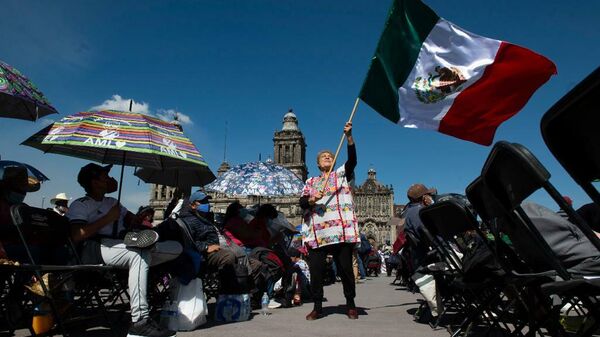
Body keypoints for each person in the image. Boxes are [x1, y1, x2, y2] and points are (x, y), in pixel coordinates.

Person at [66, 163, 182, 337]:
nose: (110, 180)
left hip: (122, 244)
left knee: (175, 247)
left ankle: (144, 256)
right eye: (105, 177)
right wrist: (107, 219)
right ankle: (140, 321)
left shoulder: (113, 202)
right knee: (138, 254)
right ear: (94, 182)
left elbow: (132, 221)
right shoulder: (80, 205)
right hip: (95, 247)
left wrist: (138, 219)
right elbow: (76, 235)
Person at [299, 121, 360, 320]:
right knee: (316, 271)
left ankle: (350, 303)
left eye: (330, 156)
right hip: (319, 234)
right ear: (318, 164)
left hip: (341, 232)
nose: (327, 157)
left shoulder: (341, 175)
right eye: (324, 157)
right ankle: (318, 306)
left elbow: (352, 160)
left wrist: (349, 137)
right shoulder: (310, 182)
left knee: (345, 270)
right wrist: (310, 199)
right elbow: (302, 203)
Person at [177, 191, 238, 288]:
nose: (207, 204)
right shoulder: (189, 220)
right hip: (204, 254)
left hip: (217, 248)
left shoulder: (205, 218)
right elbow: (187, 242)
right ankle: (226, 292)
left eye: (207, 201)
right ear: (192, 205)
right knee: (228, 256)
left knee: (246, 257)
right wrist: (205, 247)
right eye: (202, 202)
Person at [403, 183, 436, 269]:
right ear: (424, 197)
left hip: (418, 257)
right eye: (429, 195)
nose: (431, 197)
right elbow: (433, 237)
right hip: (428, 258)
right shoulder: (419, 212)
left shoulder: (408, 211)